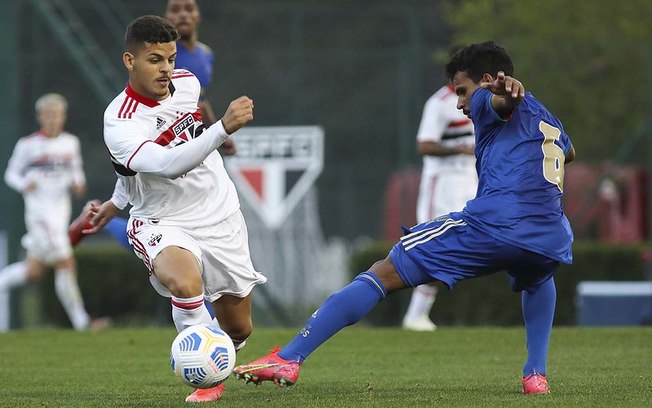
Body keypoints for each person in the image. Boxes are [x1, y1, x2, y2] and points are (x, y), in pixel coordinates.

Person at [233, 41, 575, 395]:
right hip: (550, 235)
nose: (460, 102)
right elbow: (569, 152)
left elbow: (501, 102)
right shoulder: (548, 118)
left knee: (384, 271)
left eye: (461, 91)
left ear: (487, 79)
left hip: (495, 224)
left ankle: (288, 357)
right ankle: (536, 375)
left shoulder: (485, 98)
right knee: (537, 277)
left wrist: (506, 97)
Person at [85, 15, 266, 403]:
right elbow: (167, 165)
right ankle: (205, 378)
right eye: (154, 59)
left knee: (239, 329)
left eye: (170, 58)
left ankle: (212, 358)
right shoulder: (119, 121)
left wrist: (114, 202)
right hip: (161, 220)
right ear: (129, 61)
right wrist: (223, 129)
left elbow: (136, 166)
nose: (166, 69)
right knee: (184, 283)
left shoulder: (187, 83)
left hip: (219, 213)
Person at [69, 0, 235, 251]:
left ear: (198, 15)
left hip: (190, 153)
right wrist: (222, 129)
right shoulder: (157, 55)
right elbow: (144, 152)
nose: (182, 15)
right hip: (164, 160)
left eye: (189, 8)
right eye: (175, 10)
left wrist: (218, 130)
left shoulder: (204, 55)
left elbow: (199, 103)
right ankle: (116, 225)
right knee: (158, 235)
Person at [0, 93, 94, 331]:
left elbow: (76, 170)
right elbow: (10, 174)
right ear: (40, 117)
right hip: (39, 214)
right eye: (49, 114)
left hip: (60, 212)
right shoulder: (27, 145)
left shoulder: (70, 143)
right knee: (66, 262)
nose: (53, 119)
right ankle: (82, 323)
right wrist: (24, 184)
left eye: (58, 114)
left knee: (34, 272)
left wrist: (78, 183)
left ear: (63, 117)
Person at [402, 56, 477, 332]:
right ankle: (415, 313)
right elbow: (425, 145)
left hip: (471, 177)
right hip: (443, 182)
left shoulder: (483, 98)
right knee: (434, 245)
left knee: (470, 241)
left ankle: (418, 313)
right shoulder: (439, 104)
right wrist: (459, 149)